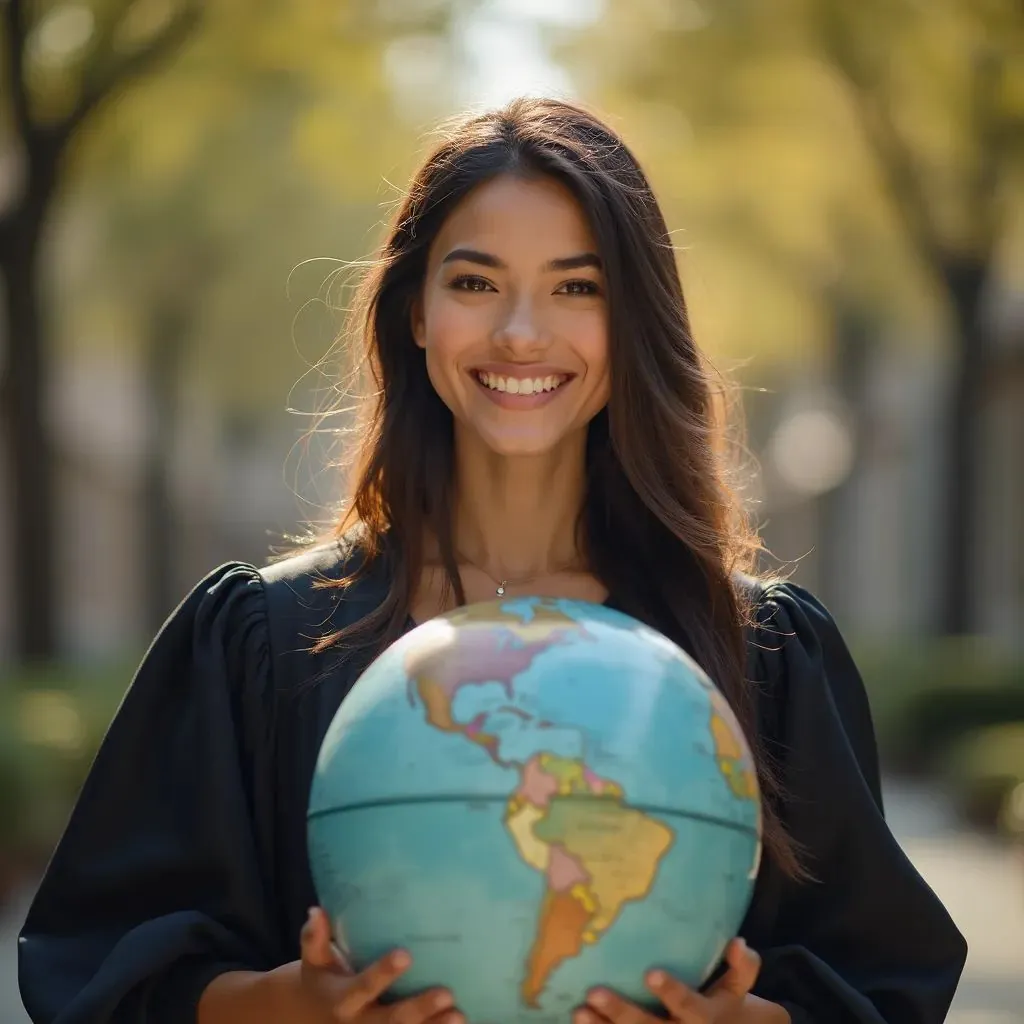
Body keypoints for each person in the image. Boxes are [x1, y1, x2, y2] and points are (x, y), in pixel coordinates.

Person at [18, 97, 966, 1024]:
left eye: (577, 286)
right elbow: (98, 968)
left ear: (632, 319)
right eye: (474, 283)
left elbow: (878, 980)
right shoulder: (264, 642)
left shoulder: (758, 653)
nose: (521, 331)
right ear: (417, 312)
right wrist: (279, 1007)